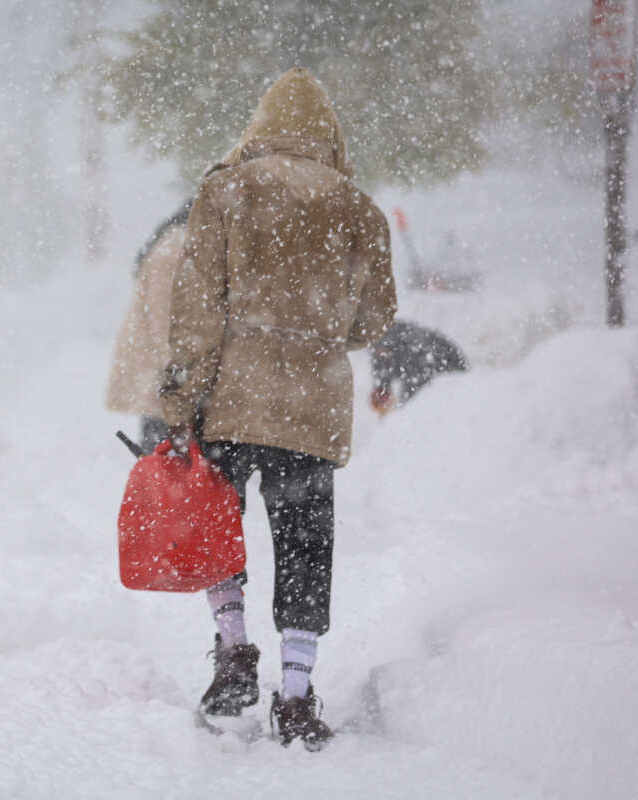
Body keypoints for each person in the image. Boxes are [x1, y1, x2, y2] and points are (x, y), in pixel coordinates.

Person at [159, 67, 397, 749]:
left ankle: (233, 656)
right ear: (329, 133)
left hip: (232, 399)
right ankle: (296, 696)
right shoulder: (358, 208)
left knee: (218, 532)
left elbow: (198, 309)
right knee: (305, 543)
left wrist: (180, 400)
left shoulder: (225, 190)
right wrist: (320, 332)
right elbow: (374, 317)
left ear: (260, 125)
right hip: (311, 411)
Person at [105, 201, 192, 452]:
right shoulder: (174, 251)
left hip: (163, 379)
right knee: (166, 467)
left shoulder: (178, 244)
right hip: (162, 379)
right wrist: (180, 379)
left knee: (167, 466)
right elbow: (165, 324)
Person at [368, 319, 468, 415]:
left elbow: (415, 383)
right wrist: (380, 396)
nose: (380, 354)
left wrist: (402, 408)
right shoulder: (378, 350)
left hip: (452, 368)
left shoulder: (409, 349)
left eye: (382, 351)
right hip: (426, 366)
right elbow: (382, 381)